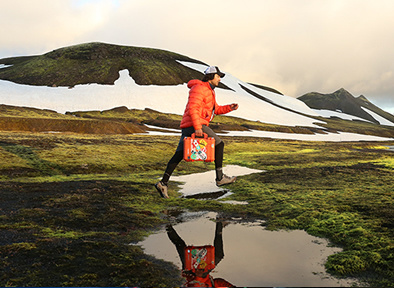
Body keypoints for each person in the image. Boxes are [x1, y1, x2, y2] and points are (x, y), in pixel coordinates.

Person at [155, 66, 239, 198]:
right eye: (218, 76)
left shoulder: (209, 91)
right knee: (219, 143)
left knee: (179, 155)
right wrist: (198, 127)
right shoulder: (199, 88)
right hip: (195, 124)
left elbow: (215, 109)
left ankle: (163, 183)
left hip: (190, 125)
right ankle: (220, 178)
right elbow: (193, 109)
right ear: (211, 77)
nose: (219, 79)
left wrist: (230, 108)